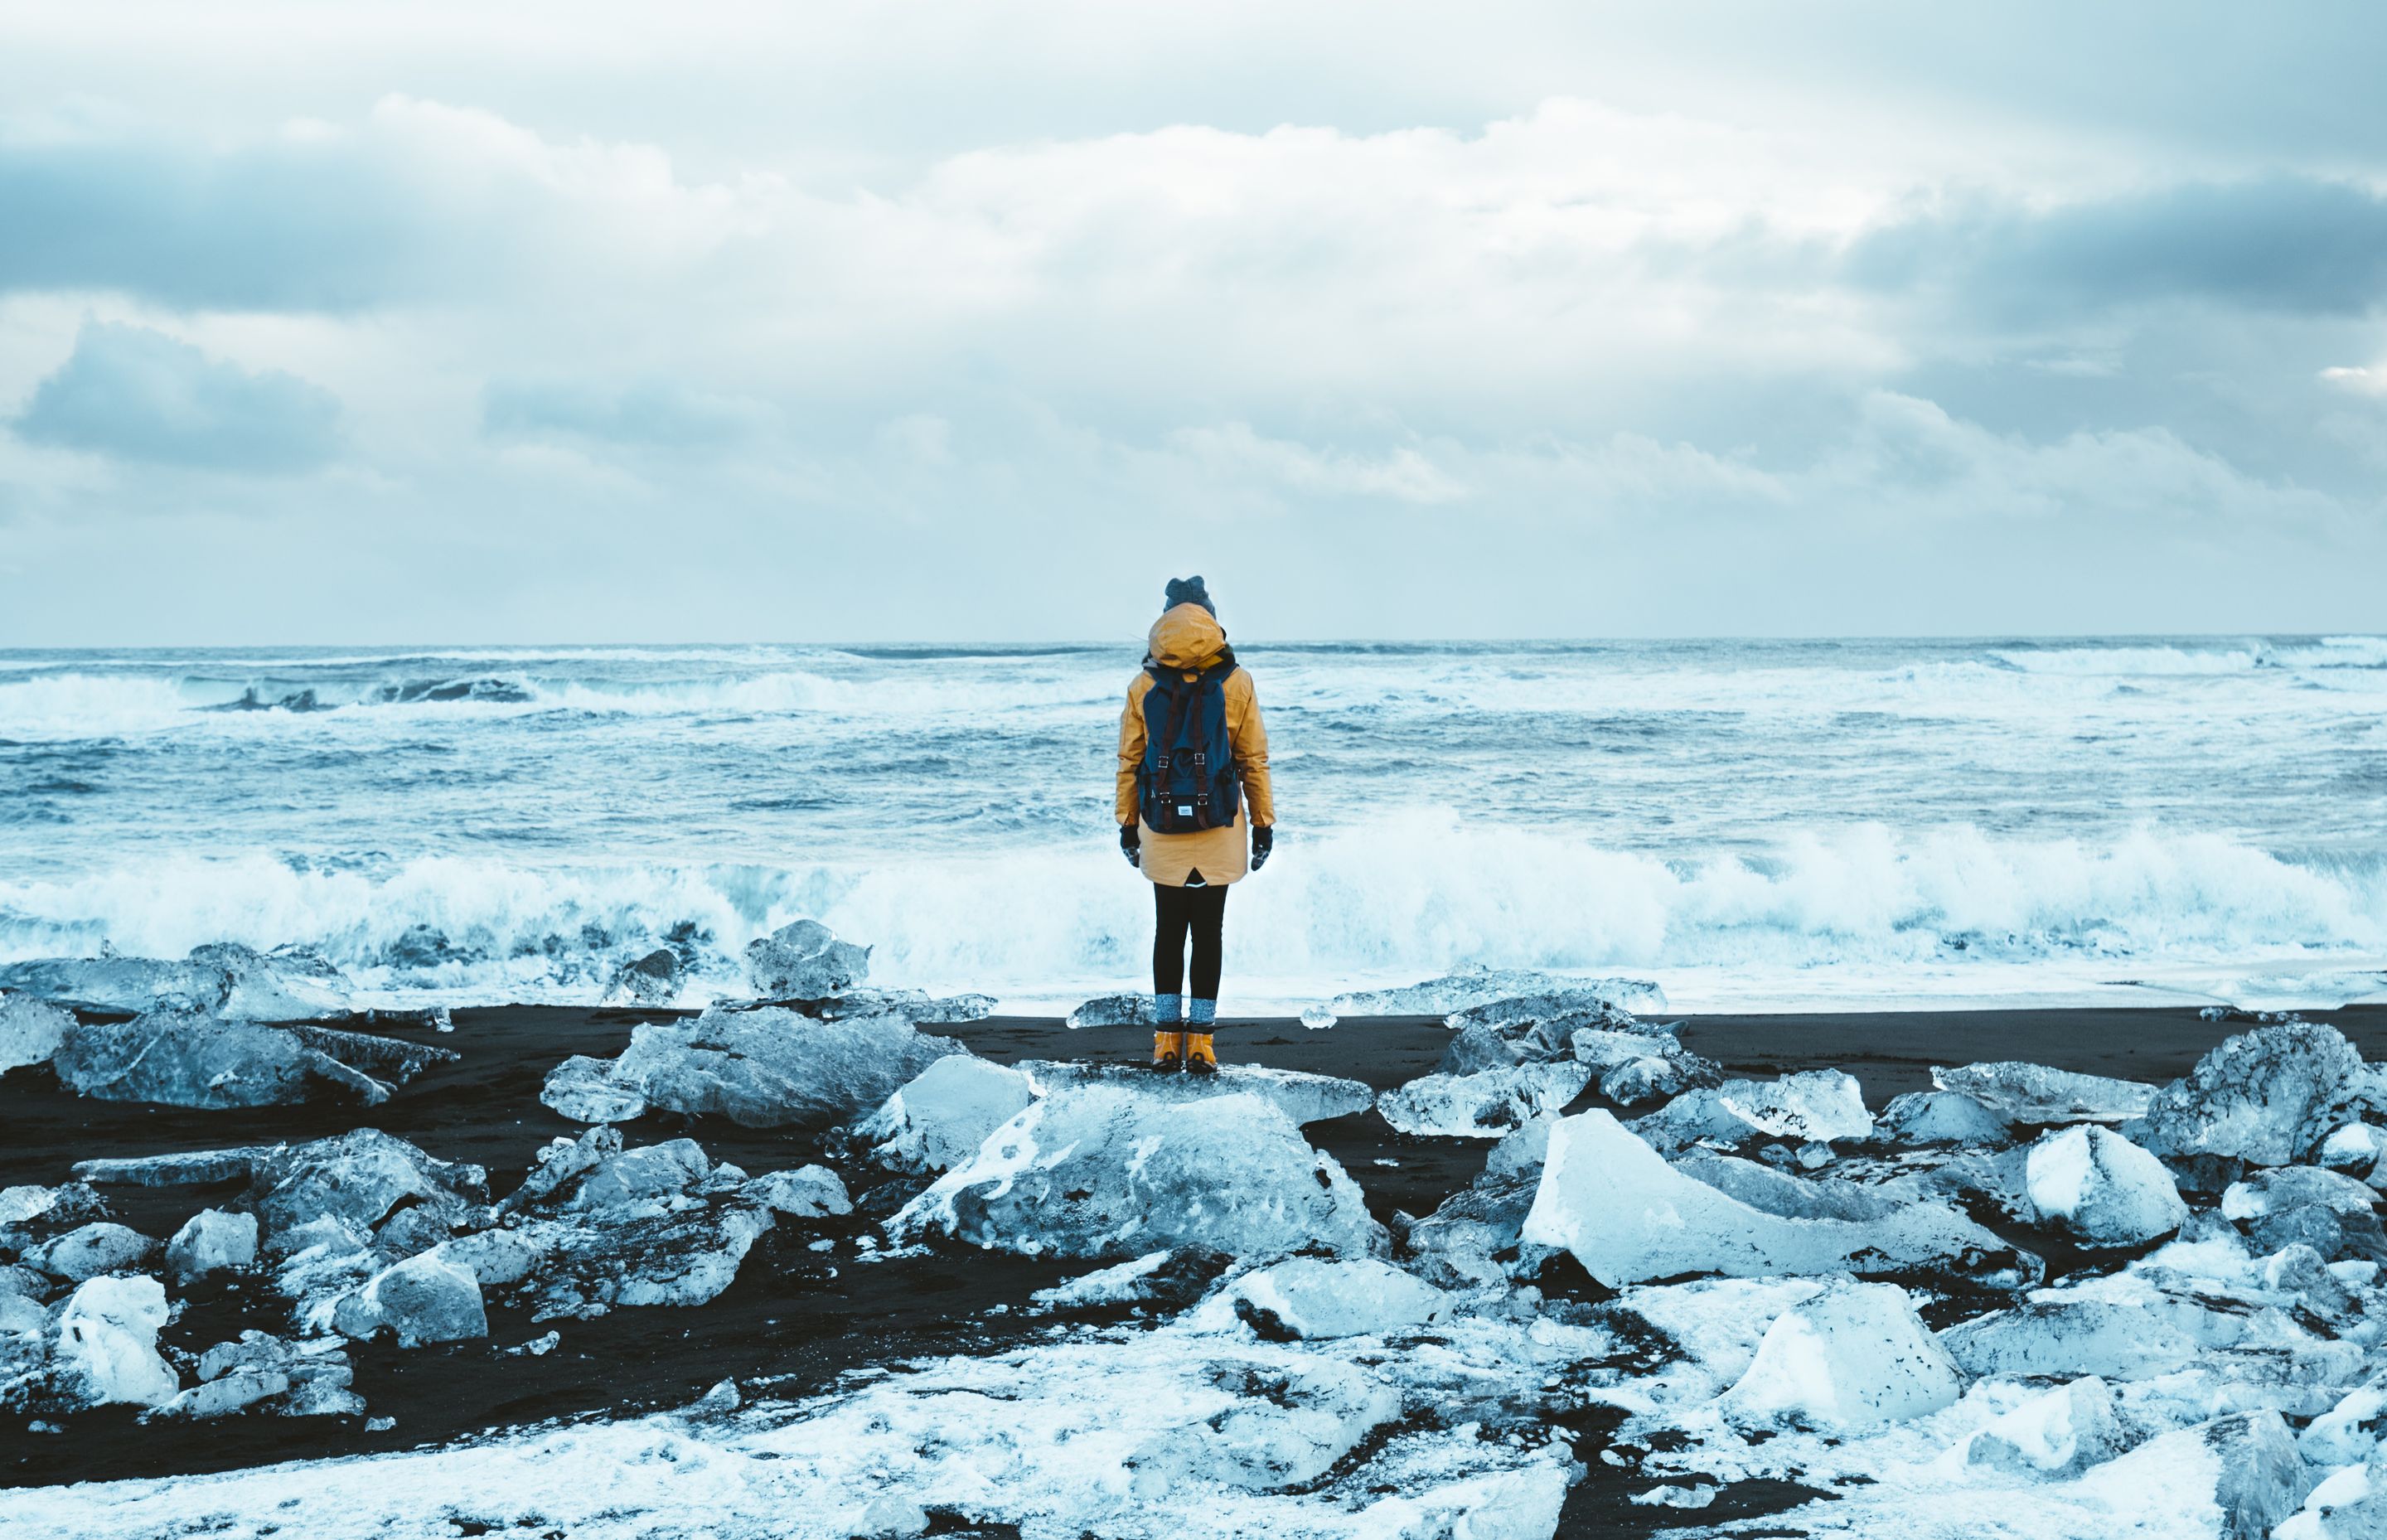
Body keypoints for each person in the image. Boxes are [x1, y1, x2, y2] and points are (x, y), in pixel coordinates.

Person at [1116, 575, 1275, 1074]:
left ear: (1164, 622)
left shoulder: (1143, 684)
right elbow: (1253, 759)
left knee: (1168, 929)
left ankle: (1166, 1042)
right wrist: (1264, 823)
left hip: (1160, 824)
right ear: (1209, 617)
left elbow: (1129, 761)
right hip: (1221, 824)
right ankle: (1202, 1043)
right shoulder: (1238, 681)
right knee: (1209, 932)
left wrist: (1126, 823)